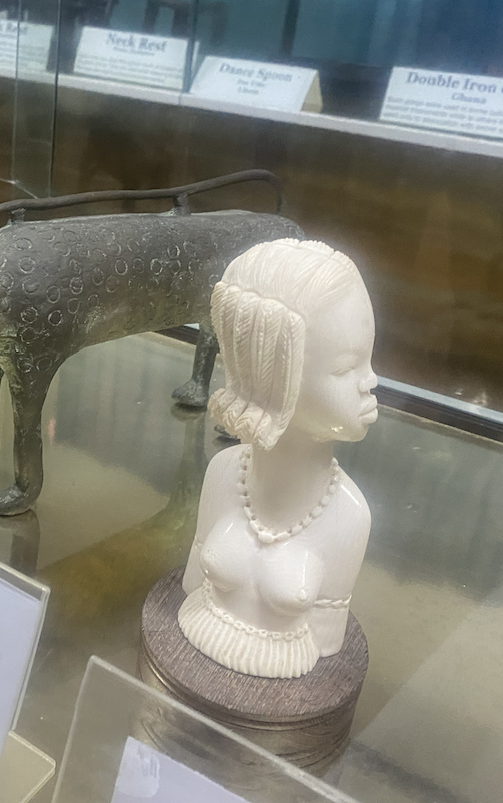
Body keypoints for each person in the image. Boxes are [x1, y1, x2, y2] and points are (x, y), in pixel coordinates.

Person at [180, 239, 376, 679]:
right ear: (272, 378)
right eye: (346, 367)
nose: (371, 381)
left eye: (368, 359)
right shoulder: (223, 473)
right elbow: (193, 583)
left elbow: (326, 640)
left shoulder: (349, 515)